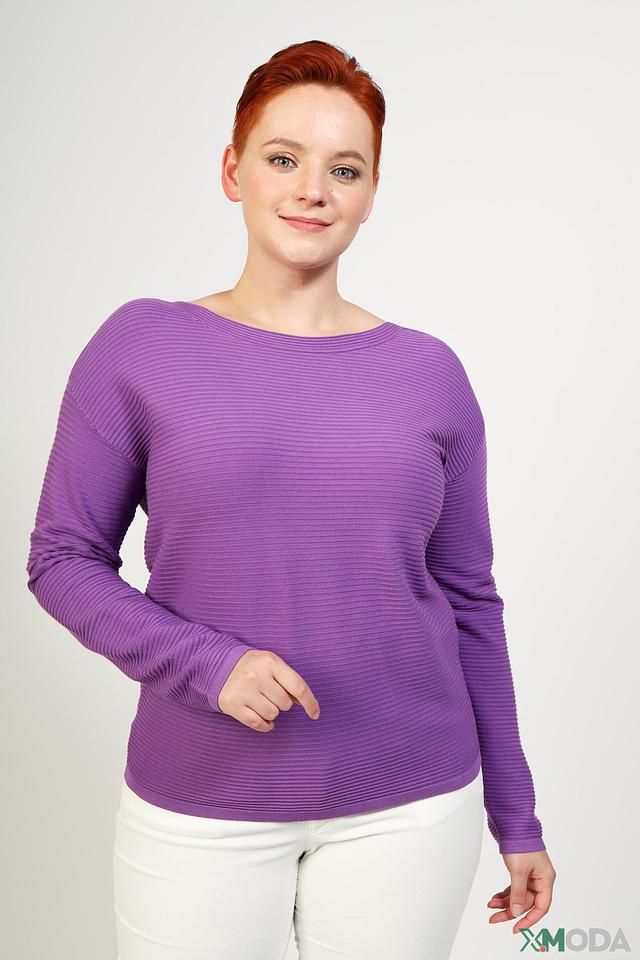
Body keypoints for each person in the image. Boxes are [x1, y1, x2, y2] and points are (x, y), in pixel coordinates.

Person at [26, 39, 556, 960]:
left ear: (371, 193)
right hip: (203, 797)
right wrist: (207, 663)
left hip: (413, 805)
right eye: (284, 159)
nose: (313, 189)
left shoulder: (429, 374)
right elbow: (61, 559)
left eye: (344, 169)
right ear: (233, 171)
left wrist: (517, 814)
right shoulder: (141, 347)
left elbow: (470, 598)